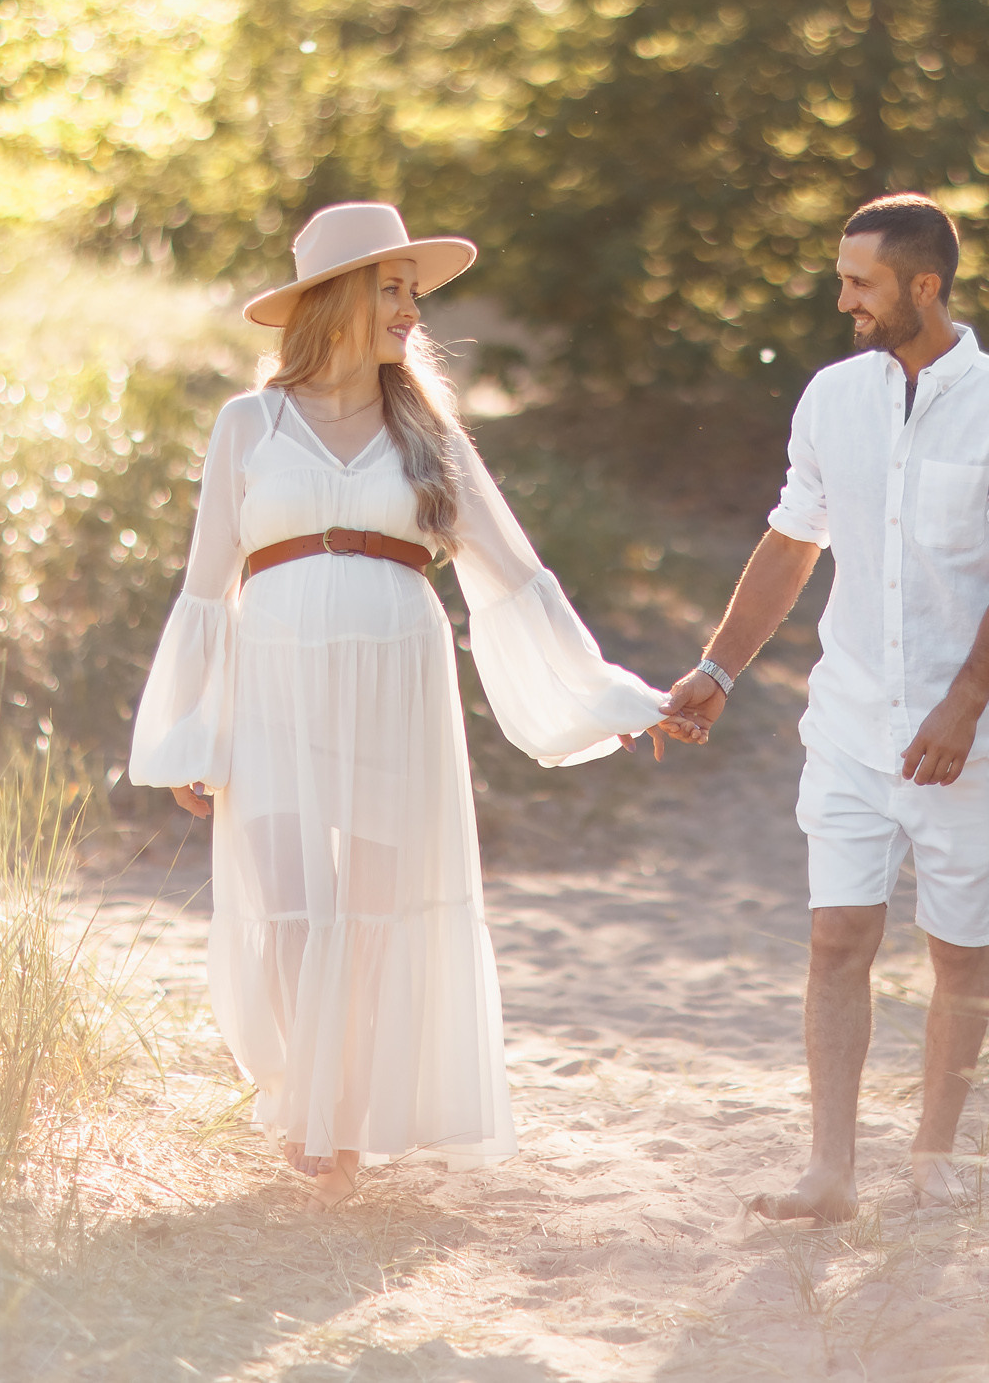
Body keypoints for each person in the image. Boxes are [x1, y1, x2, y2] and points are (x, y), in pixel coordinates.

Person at [128, 201, 689, 1210]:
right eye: (392, 289)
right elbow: (206, 586)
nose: (409, 311)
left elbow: (515, 575)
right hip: (276, 677)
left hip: (397, 675)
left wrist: (617, 697)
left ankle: (340, 1117)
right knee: (295, 909)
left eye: (412, 294)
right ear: (334, 297)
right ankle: (316, 1109)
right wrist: (190, 736)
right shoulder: (248, 424)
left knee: (377, 915)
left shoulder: (424, 429)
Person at [661, 192, 989, 1222]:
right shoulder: (830, 399)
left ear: (922, 287)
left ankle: (933, 1153)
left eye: (860, 282)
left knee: (956, 942)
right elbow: (793, 540)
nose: (842, 299)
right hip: (846, 717)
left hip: (961, 731)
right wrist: (716, 669)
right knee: (837, 938)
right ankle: (830, 1172)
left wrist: (962, 708)